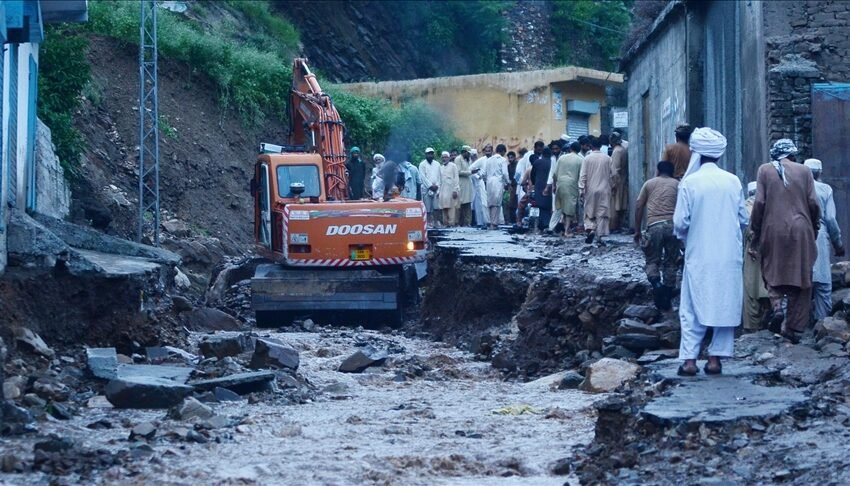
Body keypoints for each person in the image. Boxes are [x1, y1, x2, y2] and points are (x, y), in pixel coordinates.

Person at [673, 127, 748, 376]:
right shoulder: (733, 181)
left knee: (692, 306)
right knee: (724, 303)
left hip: (699, 254)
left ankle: (690, 361)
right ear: (719, 154)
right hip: (729, 255)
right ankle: (715, 359)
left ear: (696, 152)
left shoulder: (690, 183)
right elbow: (742, 217)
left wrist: (686, 237)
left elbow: (680, 223)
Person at [749, 139, 820, 343]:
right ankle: (793, 327)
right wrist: (814, 226)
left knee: (771, 270)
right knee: (803, 277)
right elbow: (813, 202)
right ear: (793, 155)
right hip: (801, 228)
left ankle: (778, 306)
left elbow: (760, 202)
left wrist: (756, 229)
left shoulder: (764, 170)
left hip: (773, 228)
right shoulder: (805, 171)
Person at [634, 160, 680, 310]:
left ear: (658, 170)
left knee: (652, 259)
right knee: (671, 261)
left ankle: (656, 284)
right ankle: (667, 292)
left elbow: (639, 205)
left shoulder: (649, 184)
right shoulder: (678, 184)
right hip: (673, 226)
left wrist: (637, 230)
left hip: (654, 226)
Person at [804, 158, 845, 322]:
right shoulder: (824, 189)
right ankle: (822, 324)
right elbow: (830, 219)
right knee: (822, 284)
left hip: (796, 237)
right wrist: (838, 244)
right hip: (819, 236)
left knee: (797, 283)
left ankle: (792, 325)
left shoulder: (794, 187)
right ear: (820, 173)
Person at [742, 181, 770, 331]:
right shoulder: (771, 207)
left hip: (752, 253)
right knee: (767, 287)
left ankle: (752, 327)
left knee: (751, 290)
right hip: (770, 252)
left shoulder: (745, 208)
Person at [579, 136, 613, 245]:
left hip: (591, 190)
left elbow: (583, 176)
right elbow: (612, 175)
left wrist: (581, 190)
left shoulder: (587, 158)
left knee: (589, 211)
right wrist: (611, 186)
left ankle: (591, 229)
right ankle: (599, 236)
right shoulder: (608, 158)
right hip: (604, 189)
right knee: (602, 212)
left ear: (591, 146)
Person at [550, 141, 583, 236]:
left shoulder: (561, 158)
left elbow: (555, 174)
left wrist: (554, 185)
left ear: (570, 149)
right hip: (571, 185)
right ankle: (567, 231)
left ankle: (561, 228)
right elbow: (581, 176)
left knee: (562, 207)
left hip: (560, 184)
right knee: (569, 209)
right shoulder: (580, 160)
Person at [483, 144, 510, 229]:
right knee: (497, 203)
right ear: (502, 151)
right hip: (498, 182)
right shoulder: (502, 160)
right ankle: (494, 224)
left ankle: (492, 221)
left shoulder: (489, 160)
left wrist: (486, 181)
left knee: (490, 203)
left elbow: (484, 173)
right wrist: (508, 182)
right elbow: (505, 173)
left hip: (489, 182)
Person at [530, 146, 553, 232]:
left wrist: (534, 184)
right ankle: (546, 224)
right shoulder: (552, 162)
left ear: (542, 154)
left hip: (539, 187)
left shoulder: (537, 162)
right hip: (549, 186)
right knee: (548, 206)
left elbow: (532, 175)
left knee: (541, 206)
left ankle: (544, 224)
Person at [609, 132, 629, 232]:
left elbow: (615, 170)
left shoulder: (616, 152)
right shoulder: (623, 150)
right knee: (621, 204)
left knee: (615, 205)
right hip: (623, 180)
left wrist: (613, 184)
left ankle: (614, 226)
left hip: (618, 181)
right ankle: (619, 226)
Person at [418, 147, 442, 227]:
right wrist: (430, 186)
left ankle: (436, 221)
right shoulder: (422, 164)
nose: (430, 155)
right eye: (428, 154)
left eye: (431, 153)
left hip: (436, 188)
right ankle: (428, 222)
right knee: (427, 207)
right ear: (425, 155)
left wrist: (437, 186)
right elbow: (423, 177)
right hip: (426, 188)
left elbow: (439, 176)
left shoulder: (437, 164)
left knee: (436, 206)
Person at [543, 140, 564, 233]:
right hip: (555, 185)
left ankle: (557, 227)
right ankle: (553, 227)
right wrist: (548, 187)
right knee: (556, 207)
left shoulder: (563, 157)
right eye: (553, 149)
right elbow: (552, 173)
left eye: (557, 149)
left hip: (564, 183)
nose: (555, 150)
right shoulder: (552, 158)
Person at [438, 151, 460, 226]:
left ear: (449, 158)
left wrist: (455, 190)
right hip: (443, 190)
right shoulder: (440, 167)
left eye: (446, 157)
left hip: (451, 190)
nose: (444, 159)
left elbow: (456, 178)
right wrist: (438, 192)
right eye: (443, 157)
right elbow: (439, 180)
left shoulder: (453, 166)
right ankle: (445, 223)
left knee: (451, 207)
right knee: (444, 207)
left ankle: (451, 224)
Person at [455, 146, 474, 226]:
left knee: (468, 203)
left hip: (468, 184)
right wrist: (470, 172)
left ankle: (468, 222)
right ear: (464, 152)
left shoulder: (468, 160)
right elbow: (458, 171)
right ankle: (458, 222)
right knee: (460, 204)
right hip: (461, 184)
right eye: (468, 153)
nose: (469, 155)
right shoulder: (458, 159)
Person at [470, 148, 490, 227]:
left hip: (484, 184)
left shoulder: (486, 160)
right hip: (476, 184)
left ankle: (487, 221)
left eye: (475, 155)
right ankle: (479, 222)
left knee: (485, 203)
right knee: (478, 204)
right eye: (472, 155)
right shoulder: (480, 161)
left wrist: (479, 176)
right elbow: (470, 170)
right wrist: (477, 176)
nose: (473, 157)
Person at [514, 147, 532, 222]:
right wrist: (523, 182)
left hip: (525, 186)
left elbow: (516, 176)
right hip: (524, 187)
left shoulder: (523, 162)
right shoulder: (522, 162)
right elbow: (518, 176)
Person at [505, 151, 519, 224]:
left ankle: (517, 220)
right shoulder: (508, 166)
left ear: (514, 157)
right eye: (509, 158)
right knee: (511, 204)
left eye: (511, 157)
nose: (510, 159)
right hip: (511, 186)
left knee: (517, 203)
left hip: (518, 185)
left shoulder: (518, 165)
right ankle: (511, 220)